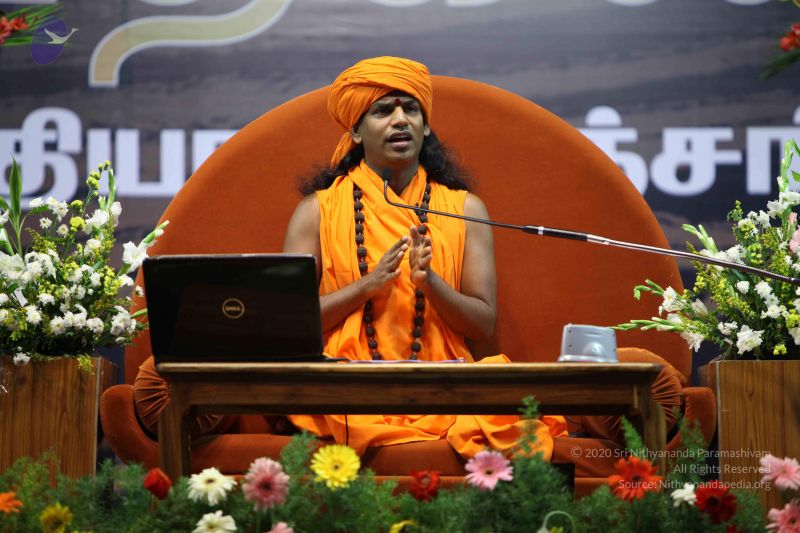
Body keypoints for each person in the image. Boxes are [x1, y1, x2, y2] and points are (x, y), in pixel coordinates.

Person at [280, 56, 567, 460]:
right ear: (356, 131)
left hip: (443, 384)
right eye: (383, 111)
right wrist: (367, 286)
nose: (400, 120)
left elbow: (482, 325)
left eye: (411, 110)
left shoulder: (464, 209)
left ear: (426, 125)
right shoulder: (317, 211)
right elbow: (289, 326)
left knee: (519, 421)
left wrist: (430, 284)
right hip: (348, 387)